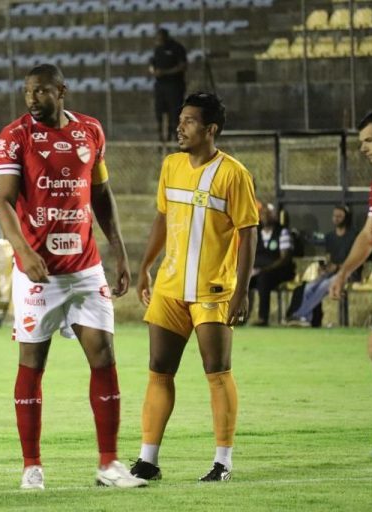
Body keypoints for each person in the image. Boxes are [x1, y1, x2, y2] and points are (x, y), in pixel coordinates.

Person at [0, 64, 145, 490]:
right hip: (38, 273)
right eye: (26, 92)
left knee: (104, 356)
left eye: (40, 91)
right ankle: (31, 466)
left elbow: (100, 193)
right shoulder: (15, 136)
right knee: (32, 364)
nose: (31, 99)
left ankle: (109, 464)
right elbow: (3, 201)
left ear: (60, 91)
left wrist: (118, 249)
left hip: (85, 267)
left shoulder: (91, 132)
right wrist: (23, 252)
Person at [129, 92, 258, 483]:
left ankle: (223, 462)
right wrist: (145, 265)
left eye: (188, 121)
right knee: (158, 370)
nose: (179, 127)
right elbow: (162, 218)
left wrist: (242, 290)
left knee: (217, 370)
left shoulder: (234, 174)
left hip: (213, 290)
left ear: (210, 129)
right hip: (170, 288)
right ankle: (148, 461)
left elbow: (248, 233)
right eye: (180, 120)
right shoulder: (171, 166)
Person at [330, 108, 372, 457]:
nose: (364, 148)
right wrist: (343, 272)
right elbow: (369, 236)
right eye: (361, 142)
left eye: (369, 140)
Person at [287, 205, 357, 327]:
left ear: (347, 218)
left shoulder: (353, 236)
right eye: (335, 216)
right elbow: (329, 257)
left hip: (348, 273)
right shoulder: (330, 236)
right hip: (332, 272)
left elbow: (355, 258)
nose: (337, 219)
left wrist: (339, 267)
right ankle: (306, 319)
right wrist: (325, 268)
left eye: (340, 216)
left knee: (325, 285)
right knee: (309, 287)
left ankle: (299, 315)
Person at [247, 204, 295, 326]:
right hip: (257, 271)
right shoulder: (255, 233)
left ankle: (263, 318)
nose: (265, 216)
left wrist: (264, 269)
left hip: (278, 272)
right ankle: (240, 316)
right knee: (242, 281)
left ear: (275, 216)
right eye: (263, 214)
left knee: (264, 279)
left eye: (269, 214)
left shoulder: (282, 232)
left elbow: (284, 258)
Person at [149, 27, 187, 142]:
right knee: (159, 112)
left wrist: (165, 72)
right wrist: (153, 71)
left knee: (174, 113)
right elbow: (152, 64)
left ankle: (175, 138)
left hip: (174, 85)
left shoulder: (177, 48)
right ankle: (162, 139)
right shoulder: (158, 49)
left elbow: (182, 66)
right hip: (160, 86)